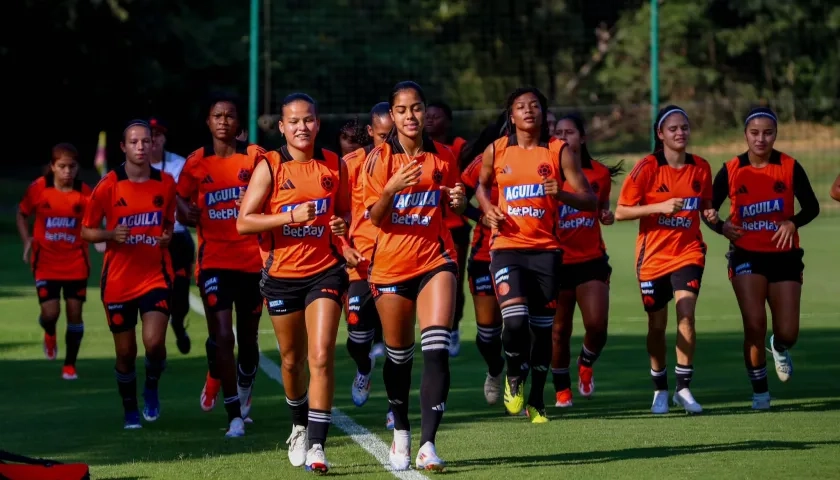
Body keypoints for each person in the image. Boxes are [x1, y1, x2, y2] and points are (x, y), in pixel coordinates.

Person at [237, 92, 350, 473]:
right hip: (282, 276)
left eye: (309, 120)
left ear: (318, 123)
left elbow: (345, 216)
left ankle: (318, 446)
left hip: (326, 271)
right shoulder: (270, 165)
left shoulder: (334, 164)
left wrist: (341, 231)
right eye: (294, 121)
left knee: (320, 355)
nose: (302, 127)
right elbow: (244, 221)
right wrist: (288, 217)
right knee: (291, 360)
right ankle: (299, 425)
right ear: (282, 127)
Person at [475, 87, 597, 424]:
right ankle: (514, 374)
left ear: (543, 113)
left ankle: (538, 400)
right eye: (520, 107)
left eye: (534, 106)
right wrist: (487, 208)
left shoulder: (558, 152)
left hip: (546, 252)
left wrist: (564, 195)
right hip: (506, 249)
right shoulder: (496, 150)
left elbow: (590, 199)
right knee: (514, 323)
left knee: (543, 332)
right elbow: (481, 186)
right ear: (511, 115)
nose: (528, 111)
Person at [362, 81, 466, 471]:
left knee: (436, 349)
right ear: (392, 115)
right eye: (402, 110)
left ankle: (428, 444)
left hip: (435, 260)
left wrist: (458, 199)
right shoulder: (378, 160)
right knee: (399, 357)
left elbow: (453, 199)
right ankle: (401, 432)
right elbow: (374, 216)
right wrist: (390, 190)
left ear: (425, 112)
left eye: (417, 108)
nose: (410, 116)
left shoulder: (442, 156)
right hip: (390, 267)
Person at [704, 107, 819, 410]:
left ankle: (778, 346)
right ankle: (760, 394)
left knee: (788, 332)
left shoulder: (790, 166)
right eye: (755, 132)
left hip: (785, 257)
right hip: (746, 255)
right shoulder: (731, 169)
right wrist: (720, 226)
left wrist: (793, 222)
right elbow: (708, 209)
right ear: (746, 135)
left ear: (775, 134)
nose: (761, 138)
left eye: (768, 132)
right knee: (754, 323)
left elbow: (812, 207)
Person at [615, 105, 716, 415]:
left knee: (686, 313)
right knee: (657, 326)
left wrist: (715, 218)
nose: (680, 132)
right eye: (673, 128)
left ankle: (684, 388)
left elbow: (707, 208)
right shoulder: (646, 167)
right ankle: (660, 387)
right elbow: (621, 212)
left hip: (688, 252)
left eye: (684, 127)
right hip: (653, 258)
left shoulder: (701, 167)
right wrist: (658, 207)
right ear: (660, 134)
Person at [176, 95, 266, 437]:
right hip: (214, 262)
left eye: (230, 116)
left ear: (239, 123)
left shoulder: (256, 157)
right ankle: (234, 415)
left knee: (249, 340)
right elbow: (179, 199)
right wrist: (186, 213)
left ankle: (239, 389)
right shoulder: (197, 162)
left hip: (253, 262)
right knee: (223, 336)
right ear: (208, 122)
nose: (224, 121)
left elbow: (276, 191)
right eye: (217, 115)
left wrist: (257, 200)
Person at [81, 120, 176, 429]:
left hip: (155, 275)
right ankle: (130, 408)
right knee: (125, 352)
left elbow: (168, 224)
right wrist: (110, 234)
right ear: (123, 147)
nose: (140, 147)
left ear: (153, 145)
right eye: (133, 142)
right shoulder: (109, 184)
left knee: (154, 343)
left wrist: (166, 237)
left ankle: (151, 385)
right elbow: (86, 230)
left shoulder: (165, 183)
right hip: (119, 281)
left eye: (145, 141)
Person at [551, 114, 623, 407]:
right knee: (558, 331)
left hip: (591, 260)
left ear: (582, 138)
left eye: (569, 132)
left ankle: (585, 361)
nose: (563, 137)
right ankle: (561, 390)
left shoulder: (599, 175)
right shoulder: (546, 173)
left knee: (597, 325)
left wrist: (605, 215)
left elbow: (601, 209)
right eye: (558, 132)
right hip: (555, 261)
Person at [343, 102, 398, 429]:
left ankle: (395, 407)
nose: (387, 141)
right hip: (360, 262)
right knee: (357, 338)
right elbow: (334, 209)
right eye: (381, 136)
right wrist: (344, 244)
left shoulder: (407, 162)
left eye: (392, 134)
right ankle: (364, 369)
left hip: (398, 260)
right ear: (369, 133)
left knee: (396, 340)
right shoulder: (351, 164)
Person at [17, 143, 91, 380]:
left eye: (72, 167)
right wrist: (26, 238)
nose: (67, 171)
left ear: (77, 167)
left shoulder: (85, 192)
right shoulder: (39, 188)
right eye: (62, 166)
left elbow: (99, 218)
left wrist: (101, 236)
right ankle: (49, 332)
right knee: (50, 314)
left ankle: (70, 364)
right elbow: (21, 213)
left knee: (74, 313)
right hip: (45, 262)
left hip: (76, 263)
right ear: (52, 167)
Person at [458, 114, 508, 405]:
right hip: (485, 253)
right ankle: (495, 368)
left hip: (528, 253)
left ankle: (520, 387)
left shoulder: (547, 157)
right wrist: (483, 217)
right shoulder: (482, 163)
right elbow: (460, 202)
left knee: (520, 327)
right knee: (488, 335)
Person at [425, 101, 470, 356]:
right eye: (427, 115)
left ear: (448, 121)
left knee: (454, 279)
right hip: (427, 226)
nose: (430, 120)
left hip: (455, 226)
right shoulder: (416, 150)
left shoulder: (457, 148)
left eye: (436, 116)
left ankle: (453, 327)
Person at [148, 116, 192, 355]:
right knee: (155, 294)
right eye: (149, 136)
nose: (153, 141)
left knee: (180, 296)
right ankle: (156, 344)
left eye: (158, 135)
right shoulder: (132, 167)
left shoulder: (178, 165)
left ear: (164, 138)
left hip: (176, 236)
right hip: (148, 240)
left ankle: (178, 323)